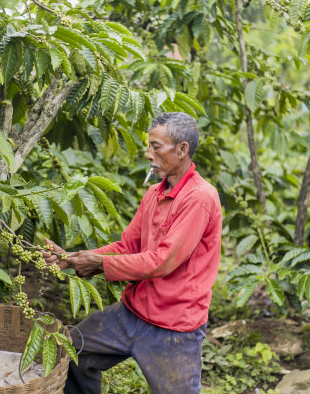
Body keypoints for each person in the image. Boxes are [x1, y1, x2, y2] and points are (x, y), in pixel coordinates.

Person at [43, 112, 222, 394]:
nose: (149, 154)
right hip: (133, 312)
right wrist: (72, 258)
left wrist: (99, 264)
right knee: (73, 349)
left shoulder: (200, 197)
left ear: (182, 149)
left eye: (156, 147)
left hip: (174, 326)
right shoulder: (154, 193)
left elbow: (162, 262)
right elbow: (128, 247)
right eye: (149, 146)